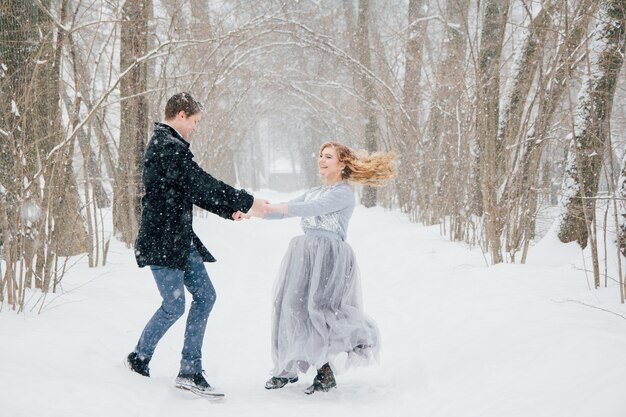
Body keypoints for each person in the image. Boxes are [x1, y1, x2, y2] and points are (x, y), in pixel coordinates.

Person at [125, 92, 268, 397]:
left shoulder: (172, 146)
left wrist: (232, 209)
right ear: (179, 115)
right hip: (163, 241)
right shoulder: (167, 147)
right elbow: (201, 184)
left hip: (179, 240)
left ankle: (189, 369)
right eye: (194, 122)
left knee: (205, 296)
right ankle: (139, 357)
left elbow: (195, 190)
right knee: (174, 305)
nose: (195, 128)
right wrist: (247, 201)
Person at [250, 141, 395, 394]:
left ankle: (325, 370)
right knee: (290, 306)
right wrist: (253, 211)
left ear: (342, 164)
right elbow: (287, 211)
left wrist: (279, 207)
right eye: (320, 155)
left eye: (328, 156)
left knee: (320, 309)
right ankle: (286, 368)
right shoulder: (314, 190)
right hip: (304, 255)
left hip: (329, 256)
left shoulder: (343, 193)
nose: (321, 160)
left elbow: (310, 209)